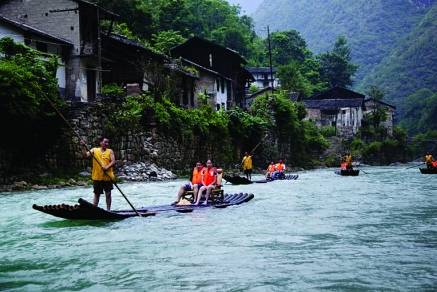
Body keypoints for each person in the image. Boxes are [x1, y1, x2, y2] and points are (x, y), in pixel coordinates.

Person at [82, 137, 115, 211]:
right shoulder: (94, 150)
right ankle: (94, 210)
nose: (107, 144)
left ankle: (108, 210)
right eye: (105, 142)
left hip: (107, 177)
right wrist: (83, 147)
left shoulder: (110, 151)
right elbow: (85, 156)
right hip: (97, 177)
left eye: (107, 142)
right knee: (97, 194)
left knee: (108, 194)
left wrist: (106, 167)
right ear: (100, 142)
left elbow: (113, 162)